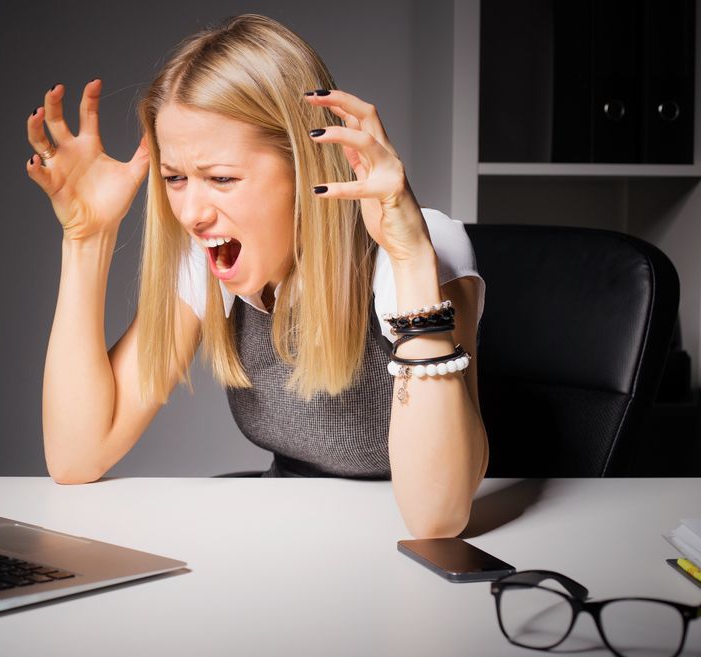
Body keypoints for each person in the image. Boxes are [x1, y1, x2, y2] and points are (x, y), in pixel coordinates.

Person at [26, 14, 488, 538]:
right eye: (175, 179)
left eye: (221, 178)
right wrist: (87, 239)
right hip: (285, 539)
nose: (192, 213)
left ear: (308, 162)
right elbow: (76, 455)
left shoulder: (421, 251)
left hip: (394, 542)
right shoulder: (207, 258)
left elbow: (438, 518)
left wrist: (410, 259)